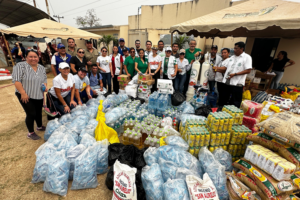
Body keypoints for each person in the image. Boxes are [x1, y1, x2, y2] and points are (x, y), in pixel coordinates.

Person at [12, 49, 48, 140]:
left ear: (38, 57)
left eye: (35, 56)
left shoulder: (41, 68)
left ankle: (39, 126)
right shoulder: (20, 66)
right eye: (30, 56)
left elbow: (44, 80)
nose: (33, 58)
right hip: (25, 95)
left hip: (38, 93)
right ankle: (31, 132)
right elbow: (16, 81)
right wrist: (23, 93)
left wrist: (45, 86)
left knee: (38, 112)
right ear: (26, 57)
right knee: (31, 113)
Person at [219, 42, 252, 107]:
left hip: (237, 84)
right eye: (234, 48)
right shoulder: (232, 57)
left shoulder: (247, 57)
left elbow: (248, 70)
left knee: (235, 102)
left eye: (236, 48)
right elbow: (226, 68)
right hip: (227, 82)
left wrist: (235, 74)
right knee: (223, 100)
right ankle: (222, 114)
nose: (234, 50)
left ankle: (233, 115)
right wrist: (218, 69)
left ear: (241, 48)